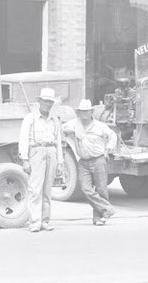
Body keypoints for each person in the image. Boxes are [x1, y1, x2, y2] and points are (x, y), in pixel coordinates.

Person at [18, 87, 64, 232]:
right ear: (40, 102)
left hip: (51, 152)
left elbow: (58, 142)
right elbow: (23, 139)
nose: (48, 104)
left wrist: (60, 161)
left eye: (50, 102)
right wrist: (24, 159)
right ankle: (34, 222)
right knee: (35, 189)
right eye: (45, 101)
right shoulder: (30, 118)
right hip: (36, 152)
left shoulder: (54, 120)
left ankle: (45, 221)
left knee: (47, 190)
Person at [67, 99, 118, 226]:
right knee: (85, 189)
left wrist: (108, 149)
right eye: (81, 111)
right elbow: (62, 129)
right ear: (78, 112)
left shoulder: (100, 126)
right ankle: (108, 209)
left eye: (86, 111)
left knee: (101, 189)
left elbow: (113, 135)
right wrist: (72, 132)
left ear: (91, 112)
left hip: (98, 160)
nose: (84, 114)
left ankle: (99, 217)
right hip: (83, 162)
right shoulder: (74, 123)